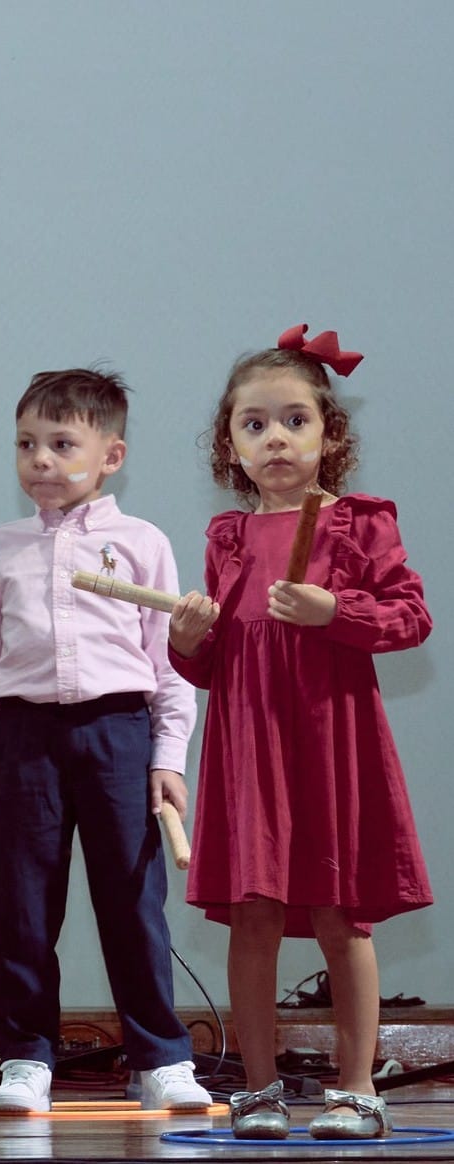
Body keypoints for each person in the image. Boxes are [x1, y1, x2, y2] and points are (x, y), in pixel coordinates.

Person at [168, 326, 431, 1141]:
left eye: (292, 421)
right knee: (250, 915)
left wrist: (335, 612)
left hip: (329, 745)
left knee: (336, 911)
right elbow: (217, 666)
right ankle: (256, 1090)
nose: (273, 438)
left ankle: (356, 1089)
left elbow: (410, 617)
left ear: (328, 435)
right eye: (253, 425)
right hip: (250, 752)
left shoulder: (359, 524)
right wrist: (185, 643)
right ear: (229, 445)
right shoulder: (227, 539)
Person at [0, 368, 211, 1116]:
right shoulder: (3, 547)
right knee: (23, 906)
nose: (40, 460)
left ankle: (160, 1056)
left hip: (118, 732)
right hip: (25, 738)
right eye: (26, 444)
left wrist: (166, 758)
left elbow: (171, 663)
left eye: (61, 443)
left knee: (131, 900)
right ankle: (25, 1056)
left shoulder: (142, 543)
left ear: (110, 455)